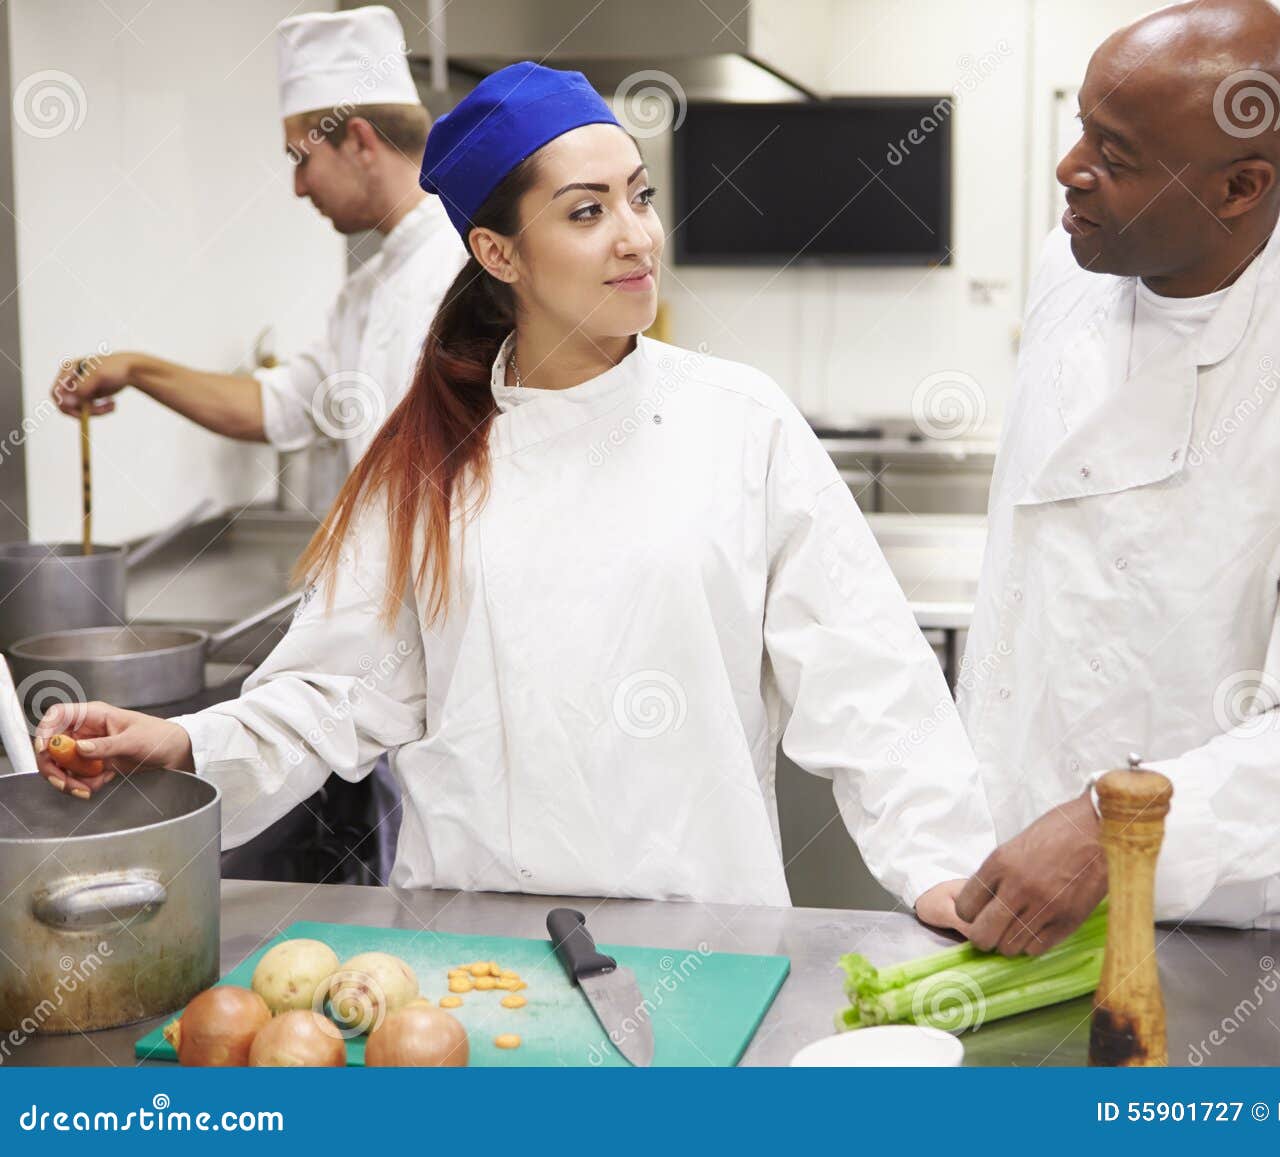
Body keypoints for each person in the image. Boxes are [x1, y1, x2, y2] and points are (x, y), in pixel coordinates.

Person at [34, 63, 994, 925]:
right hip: (476, 943)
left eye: (640, 197)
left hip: (708, 932)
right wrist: (185, 740)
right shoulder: (426, 463)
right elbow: (336, 693)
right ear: (499, 255)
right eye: (586, 212)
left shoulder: (739, 422)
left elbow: (868, 675)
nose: (636, 238)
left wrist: (945, 866)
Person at [952, 0, 1280, 952]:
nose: (1070, 170)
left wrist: (1117, 827)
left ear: (1241, 187)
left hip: (1222, 919)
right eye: (1081, 131)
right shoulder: (1072, 266)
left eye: (1117, 153)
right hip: (1011, 870)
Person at [50, 5, 464, 515]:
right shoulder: (365, 292)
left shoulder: (467, 267)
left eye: (300, 158)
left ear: (357, 141)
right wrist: (134, 369)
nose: (297, 187)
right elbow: (281, 405)